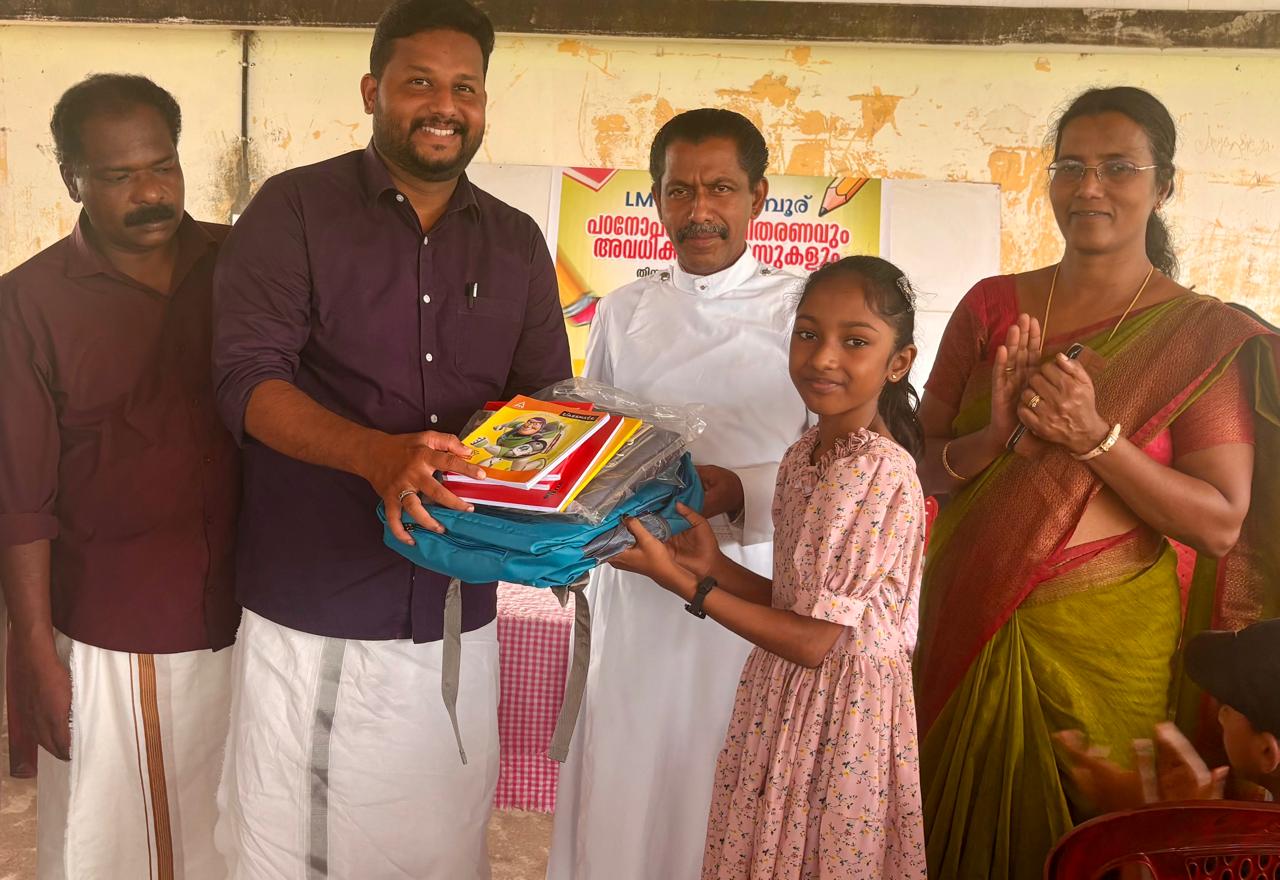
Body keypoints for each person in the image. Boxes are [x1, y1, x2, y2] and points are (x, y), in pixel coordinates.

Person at [210, 1, 570, 876]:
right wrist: (376, 455)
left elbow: (546, 407)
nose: (444, 106)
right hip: (320, 607)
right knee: (299, 849)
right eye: (420, 83)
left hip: (456, 609)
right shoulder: (296, 209)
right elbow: (246, 382)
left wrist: (584, 490)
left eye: (465, 88)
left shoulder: (516, 241)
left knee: (440, 843)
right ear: (373, 92)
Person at [914, 85, 1280, 880]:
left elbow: (1220, 523)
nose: (1089, 187)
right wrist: (990, 440)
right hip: (969, 614)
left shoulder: (1198, 336)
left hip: (1109, 647)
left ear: (1164, 185)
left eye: (1118, 168)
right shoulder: (991, 307)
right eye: (1070, 167)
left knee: (1104, 851)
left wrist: (1095, 438)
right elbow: (916, 468)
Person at [548, 109, 811, 880]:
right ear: (657, 199)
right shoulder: (625, 311)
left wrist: (737, 489)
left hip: (751, 590)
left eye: (720, 189)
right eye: (679, 191)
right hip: (638, 586)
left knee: (727, 777)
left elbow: (833, 463)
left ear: (758, 196)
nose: (699, 211)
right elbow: (595, 443)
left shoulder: (805, 311)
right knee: (629, 778)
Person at [612, 255, 928, 879]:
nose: (823, 357)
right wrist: (712, 565)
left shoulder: (878, 471)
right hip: (786, 692)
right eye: (808, 333)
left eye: (855, 341)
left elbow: (815, 642)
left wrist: (684, 583)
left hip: (845, 712)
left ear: (899, 362)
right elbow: (796, 601)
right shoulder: (807, 453)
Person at [0, 74, 239, 879]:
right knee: (106, 847)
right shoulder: (26, 304)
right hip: (110, 627)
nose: (151, 193)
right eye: (119, 175)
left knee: (236, 836)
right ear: (71, 178)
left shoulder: (241, 266)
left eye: (163, 166)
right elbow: (20, 498)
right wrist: (36, 651)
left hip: (251, 616)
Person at [1058, 617, 1280, 809]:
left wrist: (1158, 817)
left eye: (1228, 704)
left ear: (1266, 752)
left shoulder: (1246, 841)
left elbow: (1196, 844)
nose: (1221, 714)